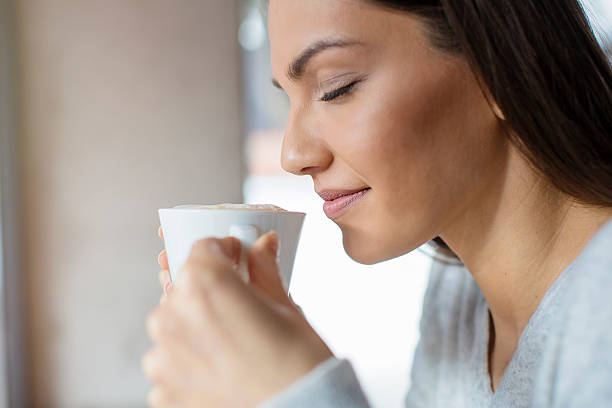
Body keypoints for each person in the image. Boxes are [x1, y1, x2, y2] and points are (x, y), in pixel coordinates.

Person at [141, 0, 612, 406]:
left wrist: (296, 392)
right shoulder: (460, 294)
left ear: (504, 65)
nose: (293, 156)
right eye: (289, 100)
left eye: (336, 88)